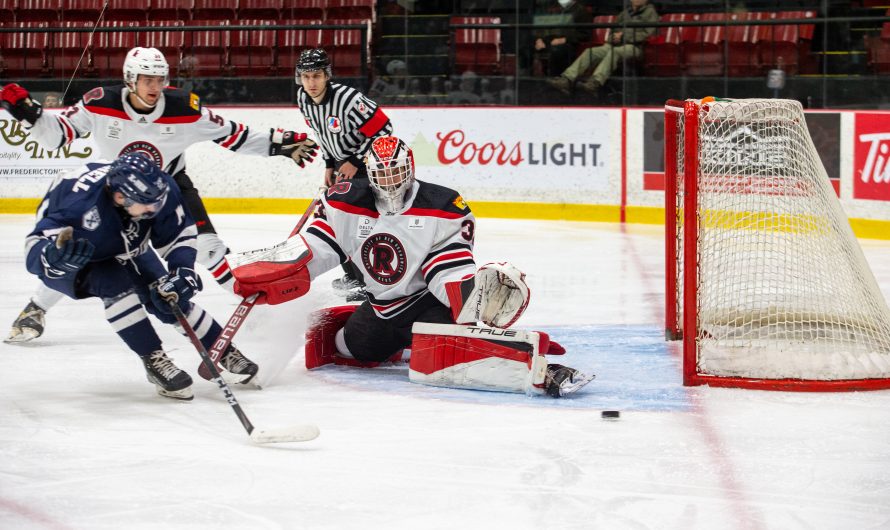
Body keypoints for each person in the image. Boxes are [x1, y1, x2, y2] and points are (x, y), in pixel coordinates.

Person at [224, 136, 594, 398]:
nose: (389, 182)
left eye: (396, 172)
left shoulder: (444, 205)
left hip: (427, 302)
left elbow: (445, 267)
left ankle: (543, 370)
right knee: (351, 348)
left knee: (457, 351)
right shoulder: (346, 201)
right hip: (382, 306)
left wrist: (468, 292)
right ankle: (407, 341)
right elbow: (318, 248)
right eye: (381, 174)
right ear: (369, 173)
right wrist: (276, 268)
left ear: (410, 169)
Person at [1, 46, 318, 343]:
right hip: (115, 192)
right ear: (129, 79)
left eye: (159, 79)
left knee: (209, 247)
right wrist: (30, 115)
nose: (154, 86)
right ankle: (35, 309)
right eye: (146, 79)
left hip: (171, 187)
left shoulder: (183, 107)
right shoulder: (100, 103)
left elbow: (231, 134)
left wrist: (278, 143)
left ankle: (253, 310)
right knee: (89, 250)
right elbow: (58, 135)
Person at [23, 153, 258, 400]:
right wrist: (54, 259)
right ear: (119, 196)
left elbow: (180, 235)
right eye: (147, 204)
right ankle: (154, 359)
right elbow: (33, 249)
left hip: (126, 243)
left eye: (156, 202)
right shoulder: (77, 205)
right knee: (116, 286)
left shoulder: (160, 189)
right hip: (81, 256)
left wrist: (182, 270)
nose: (154, 209)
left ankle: (222, 349)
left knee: (168, 294)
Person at [294, 48, 393, 301]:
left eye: (316, 76)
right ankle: (353, 276)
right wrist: (330, 163)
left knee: (353, 223)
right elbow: (322, 133)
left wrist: (355, 160)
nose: (311, 83)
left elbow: (384, 129)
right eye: (306, 77)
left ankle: (365, 280)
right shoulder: (303, 98)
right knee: (337, 220)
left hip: (370, 165)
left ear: (327, 75)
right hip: (343, 166)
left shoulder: (348, 99)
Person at [547, 0, 657, 95]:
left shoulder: (650, 12)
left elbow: (650, 34)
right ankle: (567, 79)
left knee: (615, 52)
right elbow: (613, 29)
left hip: (635, 47)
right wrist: (613, 37)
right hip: (615, 44)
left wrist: (624, 37)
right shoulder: (625, 13)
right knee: (591, 51)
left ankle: (595, 82)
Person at [533, 0, 593, 77]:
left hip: (569, 43)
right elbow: (544, 27)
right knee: (526, 46)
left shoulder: (581, 11)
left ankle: (556, 79)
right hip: (549, 40)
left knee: (557, 50)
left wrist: (564, 39)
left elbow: (585, 34)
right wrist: (539, 39)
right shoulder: (555, 9)